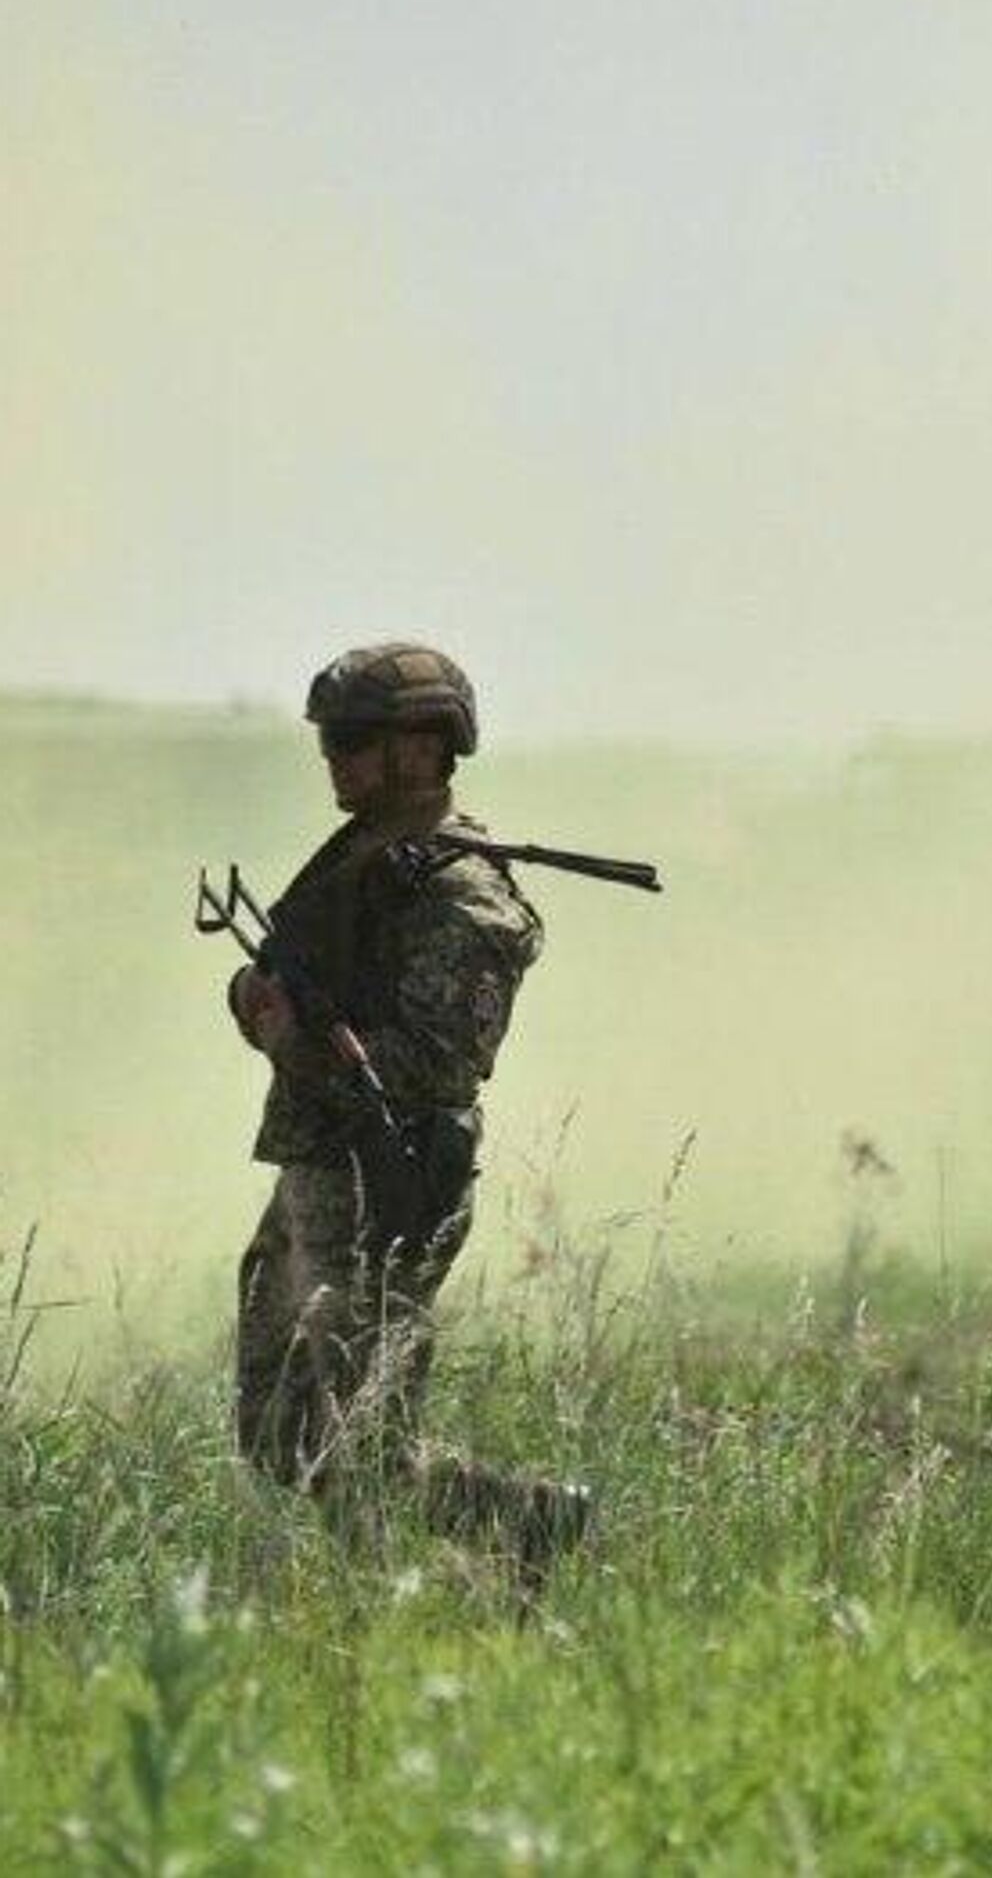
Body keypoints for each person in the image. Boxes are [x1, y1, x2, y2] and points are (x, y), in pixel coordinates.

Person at [226, 641, 589, 1589]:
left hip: (388, 1180)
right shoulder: (364, 860)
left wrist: (293, 1041)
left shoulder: (464, 895)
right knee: (275, 1432)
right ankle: (518, 1525)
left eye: (354, 739)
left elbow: (438, 1064)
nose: (335, 759)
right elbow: (299, 985)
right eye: (330, 740)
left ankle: (388, 1611)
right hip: (315, 1166)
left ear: (426, 746)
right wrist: (257, 1002)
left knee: (360, 1444)